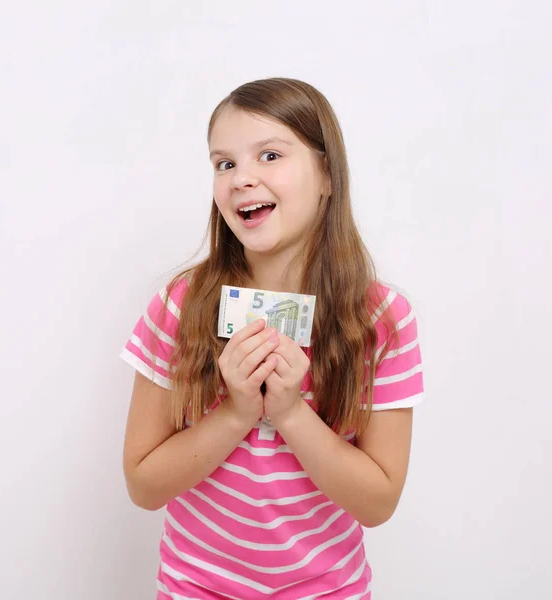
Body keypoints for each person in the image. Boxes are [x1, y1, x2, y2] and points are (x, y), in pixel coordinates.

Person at [119, 77, 425, 599]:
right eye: (225, 163)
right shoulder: (181, 306)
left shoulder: (382, 320)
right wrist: (237, 412)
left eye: (269, 155)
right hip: (196, 588)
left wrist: (289, 412)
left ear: (327, 174)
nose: (242, 178)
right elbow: (144, 485)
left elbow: (377, 504)